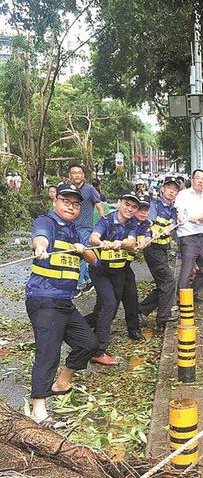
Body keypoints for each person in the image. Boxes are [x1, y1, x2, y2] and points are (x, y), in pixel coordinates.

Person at [25, 182, 99, 428]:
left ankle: (61, 383)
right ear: (56, 201)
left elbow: (94, 258)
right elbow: (40, 239)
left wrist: (83, 250)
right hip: (44, 298)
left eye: (76, 204)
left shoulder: (75, 231)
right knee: (48, 352)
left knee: (88, 343)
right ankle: (38, 410)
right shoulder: (46, 221)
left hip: (64, 301)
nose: (71, 207)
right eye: (66, 202)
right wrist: (41, 248)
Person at [86, 191, 139, 365]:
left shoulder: (132, 224)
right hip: (100, 271)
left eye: (133, 207)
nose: (129, 209)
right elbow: (93, 237)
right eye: (127, 204)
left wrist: (121, 243)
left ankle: (75, 328)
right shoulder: (106, 221)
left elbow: (131, 243)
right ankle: (98, 351)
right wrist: (102, 243)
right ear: (120, 202)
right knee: (108, 305)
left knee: (108, 309)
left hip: (119, 272)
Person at [138, 176, 179, 327]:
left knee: (164, 283)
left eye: (175, 190)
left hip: (162, 249)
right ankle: (163, 316)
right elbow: (149, 222)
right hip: (152, 248)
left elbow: (175, 222)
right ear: (162, 189)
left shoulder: (172, 209)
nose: (171, 192)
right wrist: (150, 233)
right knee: (168, 281)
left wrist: (171, 226)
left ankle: (140, 310)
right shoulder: (155, 205)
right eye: (169, 188)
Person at [174, 169, 203, 302]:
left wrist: (197, 218)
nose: (200, 181)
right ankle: (182, 299)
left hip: (201, 236)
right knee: (187, 269)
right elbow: (178, 209)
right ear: (192, 180)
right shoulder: (183, 194)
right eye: (198, 178)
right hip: (187, 236)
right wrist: (180, 216)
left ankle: (192, 293)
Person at [68, 163, 106, 295]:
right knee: (75, 254)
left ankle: (78, 287)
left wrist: (103, 223)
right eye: (74, 173)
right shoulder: (69, 190)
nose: (76, 175)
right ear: (70, 175)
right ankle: (90, 280)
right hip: (71, 228)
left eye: (79, 172)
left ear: (83, 175)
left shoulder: (90, 189)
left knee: (81, 255)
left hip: (85, 228)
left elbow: (99, 205)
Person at [122, 196, 152, 340]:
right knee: (107, 306)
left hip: (125, 267)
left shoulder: (144, 224)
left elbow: (146, 236)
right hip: (107, 267)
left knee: (132, 297)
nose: (143, 212)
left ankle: (134, 330)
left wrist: (146, 240)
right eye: (140, 209)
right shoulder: (126, 222)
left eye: (146, 209)